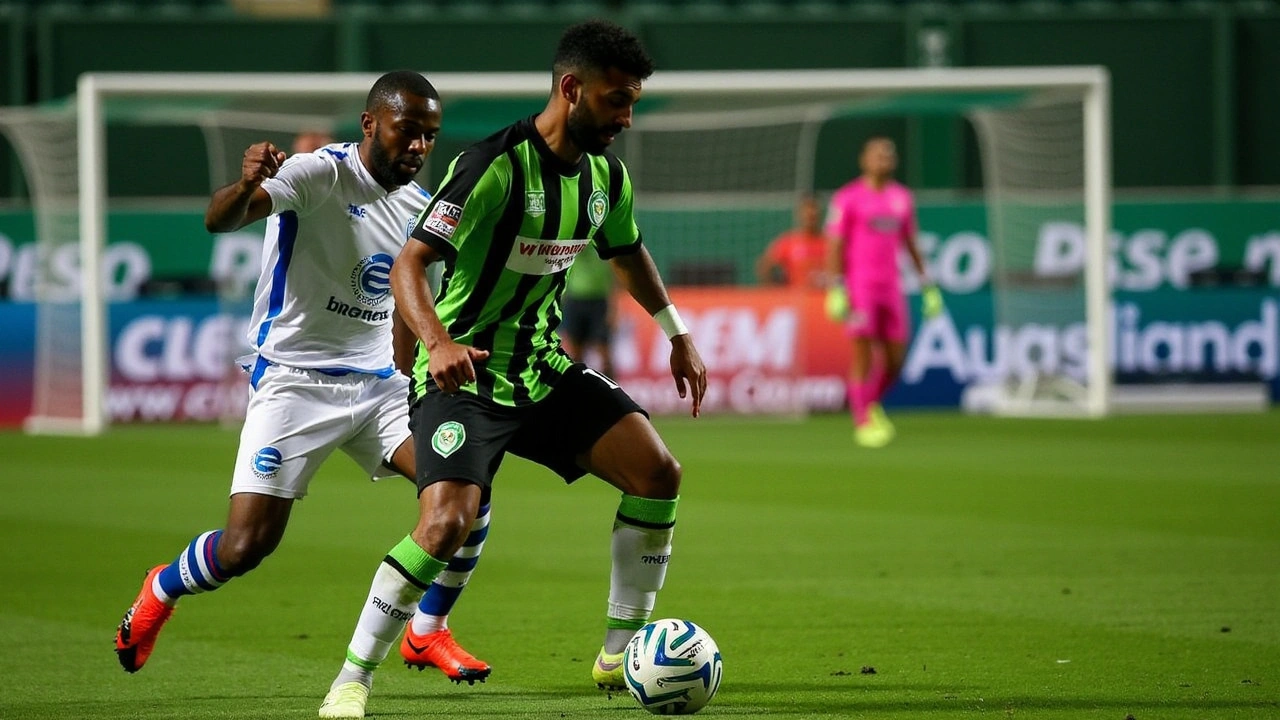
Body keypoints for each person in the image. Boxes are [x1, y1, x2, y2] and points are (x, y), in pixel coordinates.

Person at [318, 19, 707, 719]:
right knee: (446, 526)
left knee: (659, 473)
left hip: (541, 369)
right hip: (462, 377)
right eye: (617, 101)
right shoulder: (493, 164)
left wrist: (675, 331)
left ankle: (618, 652)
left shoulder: (604, 177)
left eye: (632, 103)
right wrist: (434, 344)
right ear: (570, 88)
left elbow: (626, 250)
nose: (625, 118)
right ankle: (352, 679)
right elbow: (412, 261)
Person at [114, 71, 492, 685]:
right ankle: (163, 586)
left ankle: (425, 632)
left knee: (467, 496)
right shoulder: (318, 173)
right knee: (245, 548)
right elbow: (221, 220)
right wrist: (245, 184)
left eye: (430, 136)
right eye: (408, 131)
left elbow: (410, 303)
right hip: (294, 381)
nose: (420, 147)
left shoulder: (422, 211)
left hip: (378, 389)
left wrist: (420, 367)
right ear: (371, 124)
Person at [824, 136, 943, 448]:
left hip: (892, 287)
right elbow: (835, 245)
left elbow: (910, 243)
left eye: (888, 155)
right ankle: (863, 421)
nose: (883, 160)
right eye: (877, 155)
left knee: (895, 361)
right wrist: (837, 287)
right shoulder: (847, 198)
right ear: (864, 160)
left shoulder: (901, 198)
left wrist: (927, 284)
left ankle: (870, 404)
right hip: (860, 287)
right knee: (863, 354)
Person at [559, 245, 617, 375]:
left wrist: (614, 308)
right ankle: (578, 391)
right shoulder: (573, 244)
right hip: (574, 300)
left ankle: (609, 391)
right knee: (575, 353)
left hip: (599, 302)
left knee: (604, 351)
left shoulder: (604, 245)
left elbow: (613, 278)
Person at [756, 194, 828, 289]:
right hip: (796, 298)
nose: (811, 213)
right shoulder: (788, 241)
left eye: (814, 208)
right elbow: (764, 266)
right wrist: (773, 292)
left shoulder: (830, 242)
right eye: (806, 209)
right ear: (799, 214)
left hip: (824, 297)